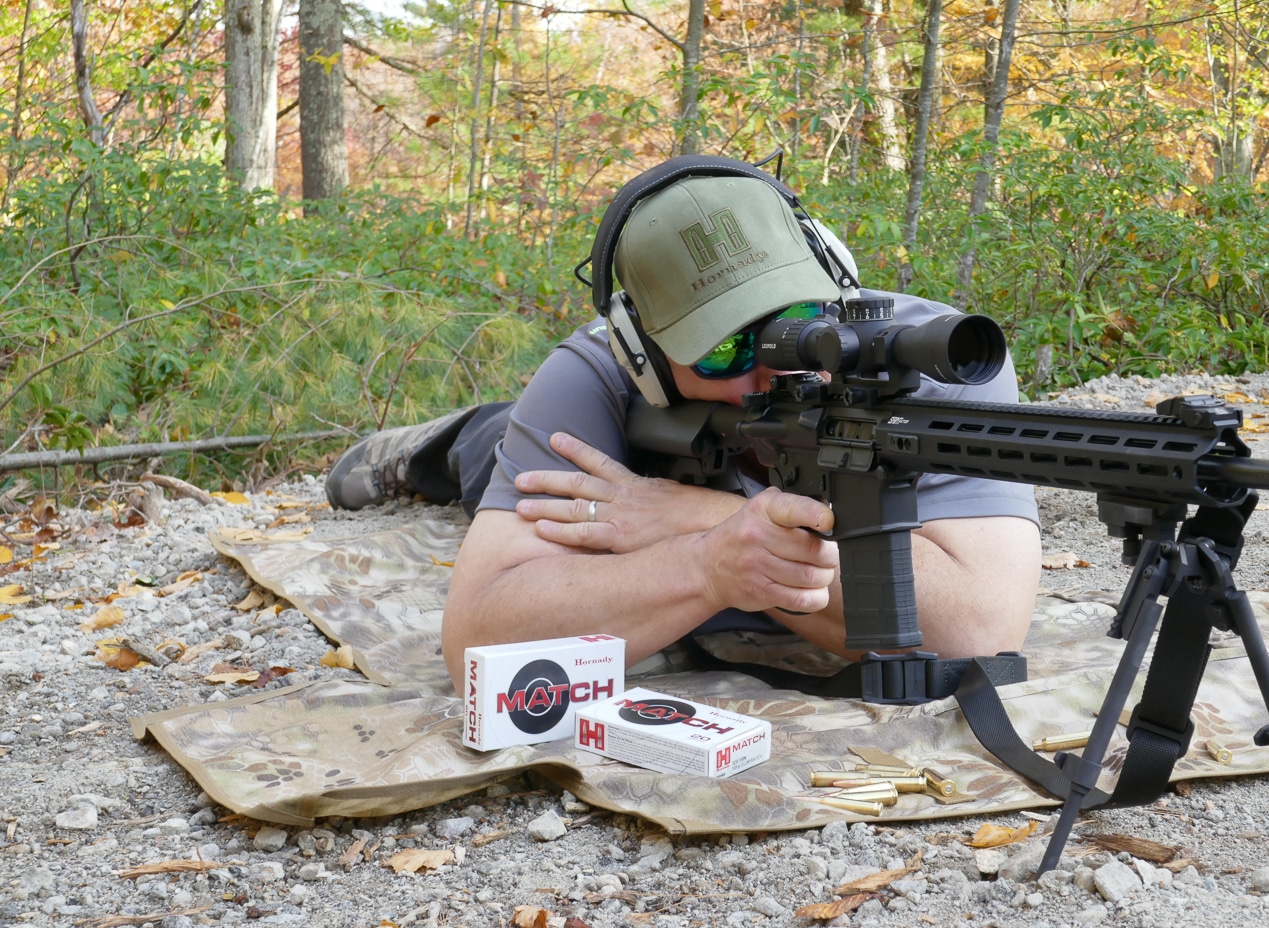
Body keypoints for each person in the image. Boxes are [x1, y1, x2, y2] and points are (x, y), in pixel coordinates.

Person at [325, 160, 1042, 697]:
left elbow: (977, 630)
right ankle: (425, 446)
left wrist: (701, 523)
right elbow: (478, 646)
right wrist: (704, 566)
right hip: (548, 455)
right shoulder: (595, 376)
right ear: (640, 349)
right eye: (722, 347)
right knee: (490, 449)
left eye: (793, 322)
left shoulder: (934, 360)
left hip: (665, 499)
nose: (770, 365)